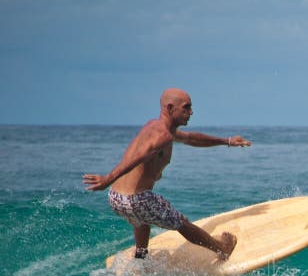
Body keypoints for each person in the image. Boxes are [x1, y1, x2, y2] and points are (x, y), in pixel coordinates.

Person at [83, 88, 252, 261]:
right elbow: (136, 157)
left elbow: (191, 138)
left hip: (116, 198)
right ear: (170, 108)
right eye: (186, 108)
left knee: (142, 219)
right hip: (135, 200)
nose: (191, 112)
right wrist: (107, 179)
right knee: (182, 223)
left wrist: (228, 141)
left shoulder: (156, 127)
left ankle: (141, 259)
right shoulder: (162, 136)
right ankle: (222, 249)